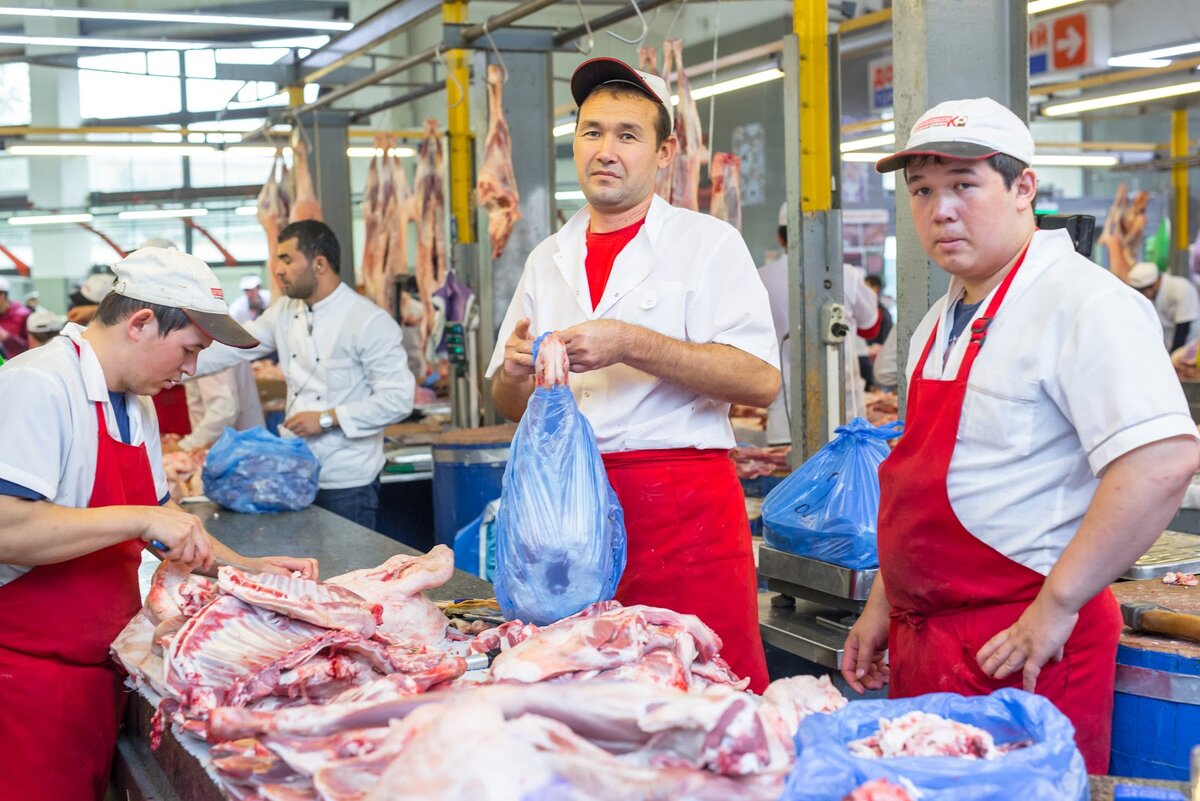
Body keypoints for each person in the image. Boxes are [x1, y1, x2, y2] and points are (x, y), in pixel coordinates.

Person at [842, 97, 1200, 772]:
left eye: (963, 185)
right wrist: (886, 603)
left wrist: (1056, 606)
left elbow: (1163, 461)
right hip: (928, 642)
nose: (939, 209)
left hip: (1023, 644)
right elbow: (922, 481)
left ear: (1023, 188)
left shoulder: (1085, 302)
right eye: (922, 190)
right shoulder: (934, 322)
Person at [487, 57, 781, 692]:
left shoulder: (708, 245)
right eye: (592, 132)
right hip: (563, 515)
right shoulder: (547, 258)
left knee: (709, 697)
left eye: (627, 134)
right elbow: (506, 402)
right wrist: (516, 372)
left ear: (665, 150)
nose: (606, 151)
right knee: (584, 704)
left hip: (682, 511)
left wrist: (629, 343)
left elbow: (759, 381)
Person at [0, 247, 318, 801]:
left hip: (97, 675)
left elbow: (164, 525)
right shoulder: (39, 384)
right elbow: (7, 528)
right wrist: (140, 516)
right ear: (141, 323)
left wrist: (248, 569)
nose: (192, 369)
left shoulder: (134, 403)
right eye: (190, 350)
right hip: (23, 682)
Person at [194, 220, 414, 531]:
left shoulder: (367, 321)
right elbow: (234, 347)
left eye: (287, 259)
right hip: (294, 472)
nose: (278, 270)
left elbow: (398, 399)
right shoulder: (284, 311)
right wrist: (173, 359)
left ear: (319, 263)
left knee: (347, 573)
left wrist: (327, 417)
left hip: (346, 481)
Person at [759, 203, 881, 444]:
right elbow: (871, 328)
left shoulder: (760, 277)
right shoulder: (847, 274)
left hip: (785, 423)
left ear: (780, 237)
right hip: (845, 422)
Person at [1125, 261, 1200, 351]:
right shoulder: (1149, 293)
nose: (1140, 294)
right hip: (1166, 343)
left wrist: (1171, 358)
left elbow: (1183, 330)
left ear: (1156, 283)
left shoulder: (1181, 288)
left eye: (1142, 291)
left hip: (1188, 345)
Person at [0, 276, 31, 359]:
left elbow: (33, 346)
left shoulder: (23, 314)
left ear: (3, 296)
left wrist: (7, 337)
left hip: (18, 364)